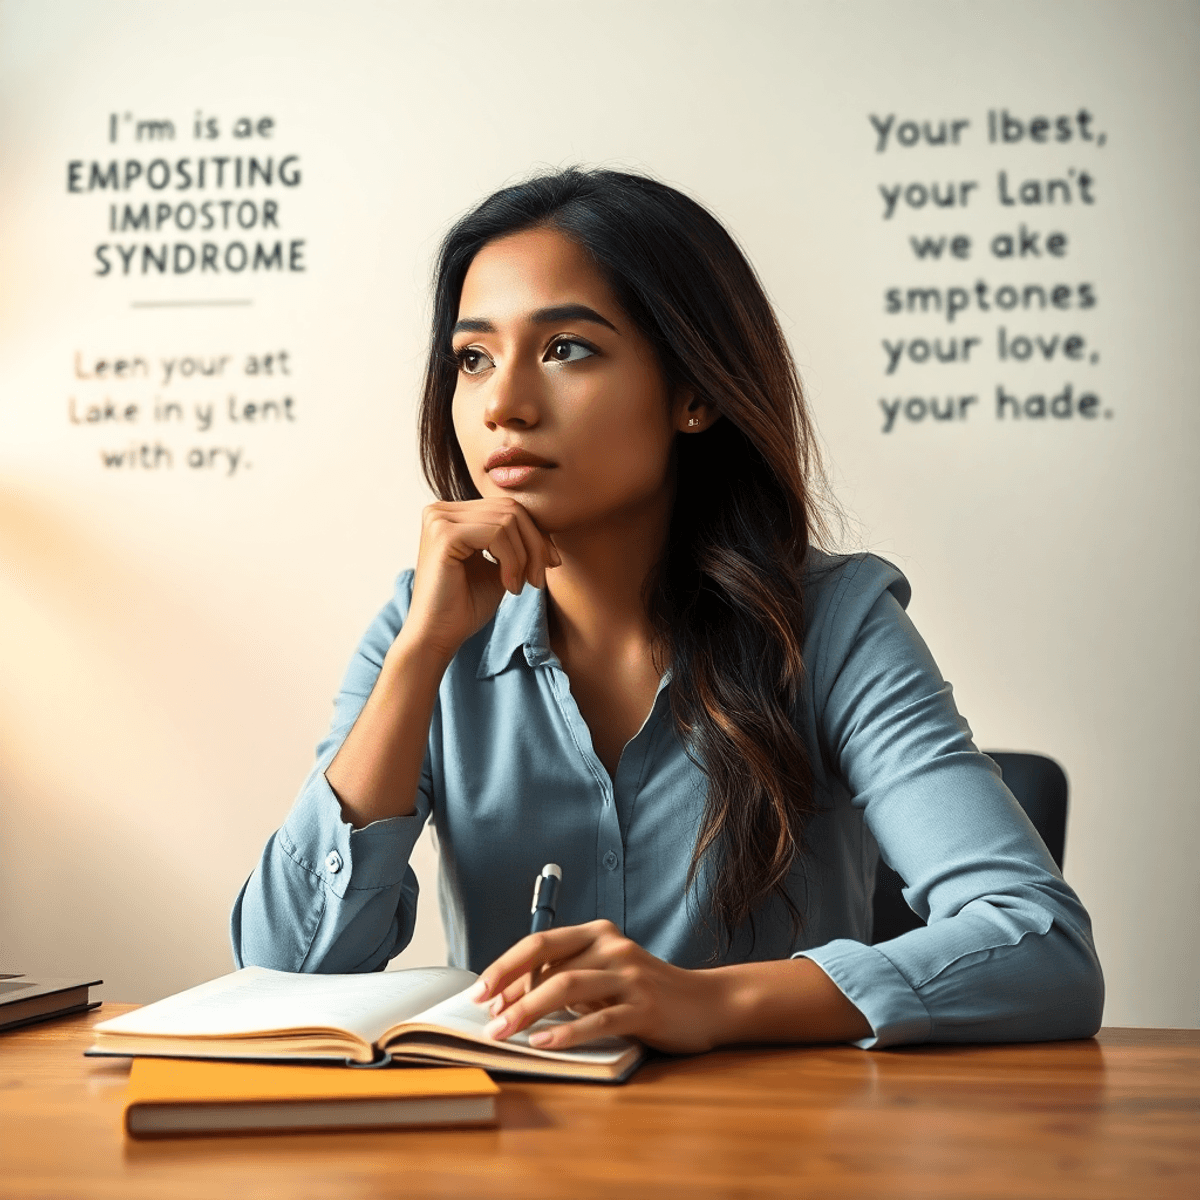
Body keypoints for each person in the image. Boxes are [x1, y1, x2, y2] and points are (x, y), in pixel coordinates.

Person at [231, 167, 1103, 1052]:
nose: (503, 405)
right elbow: (281, 975)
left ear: (695, 393)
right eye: (473, 358)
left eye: (566, 348)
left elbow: (1041, 945)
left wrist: (708, 1003)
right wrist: (419, 657)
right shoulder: (428, 624)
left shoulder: (836, 621)